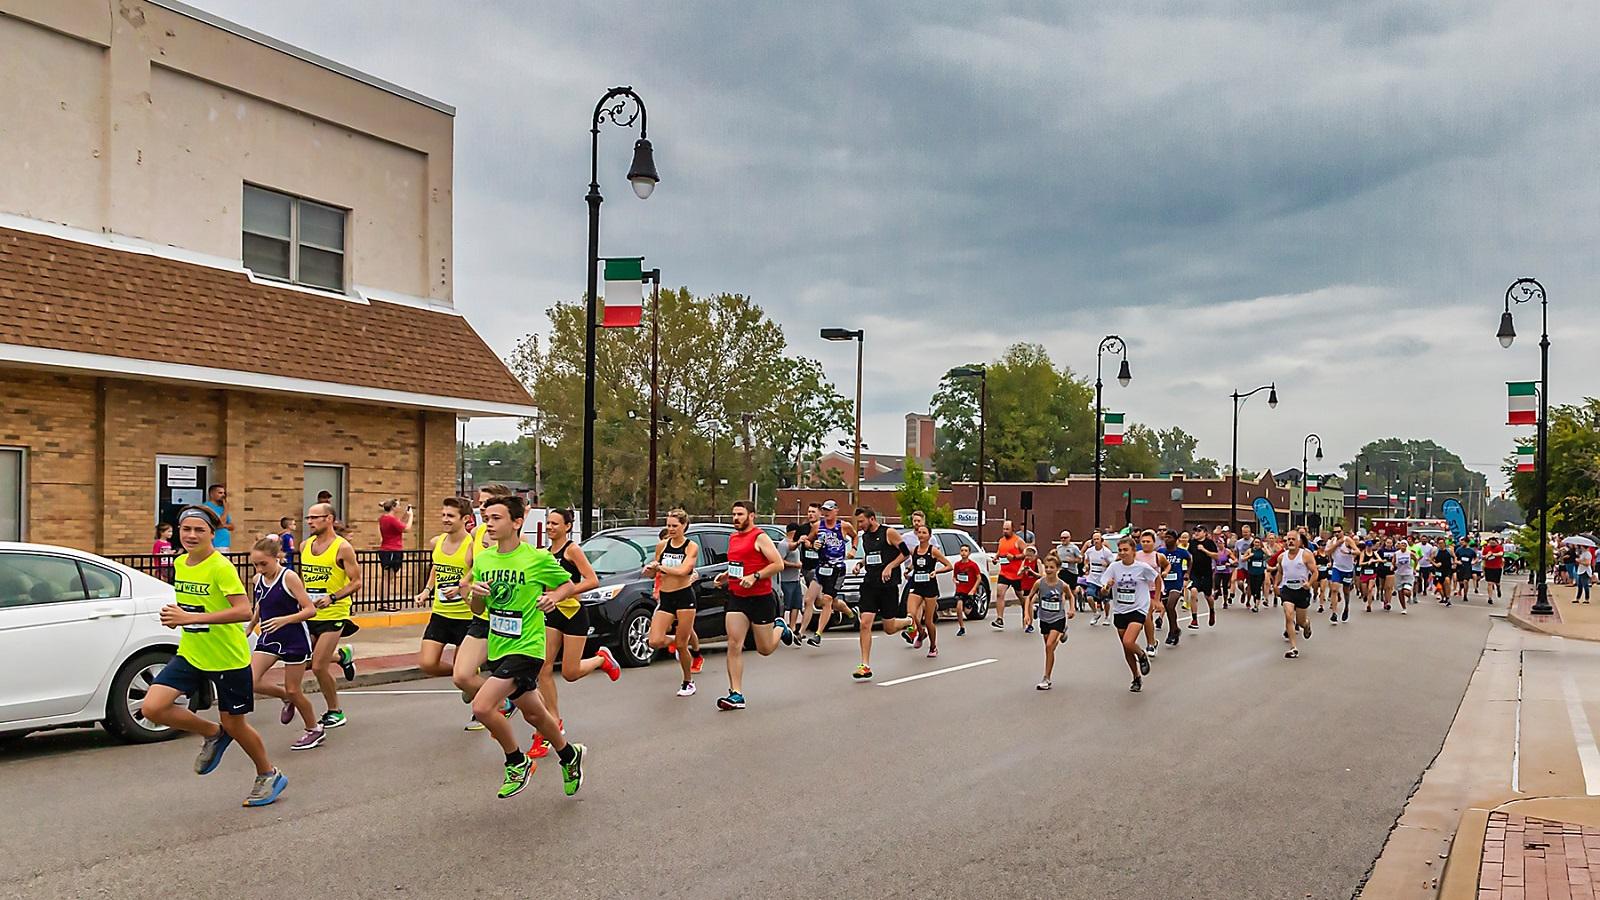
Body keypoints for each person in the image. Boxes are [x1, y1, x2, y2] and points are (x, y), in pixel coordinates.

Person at [142, 506, 286, 806]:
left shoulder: (220, 567)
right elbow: (191, 606)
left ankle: (268, 774)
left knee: (236, 724)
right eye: (186, 529)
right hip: (192, 653)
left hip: (227, 657)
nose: (192, 535)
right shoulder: (180, 563)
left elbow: (243, 610)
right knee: (152, 708)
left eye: (199, 530)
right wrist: (179, 616)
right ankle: (212, 733)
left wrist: (189, 619)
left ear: (212, 533)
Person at [461, 495, 586, 799]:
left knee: (481, 706)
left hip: (527, 647)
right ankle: (570, 755)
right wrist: (475, 594)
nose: (489, 524)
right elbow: (478, 609)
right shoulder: (485, 559)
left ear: (516, 522)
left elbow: (568, 583)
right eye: (486, 518)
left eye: (496, 518)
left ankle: (517, 762)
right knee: (536, 715)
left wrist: (554, 598)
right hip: (499, 645)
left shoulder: (537, 559)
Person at [531, 509, 620, 759]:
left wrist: (564, 593)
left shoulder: (572, 550)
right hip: (551, 614)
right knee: (544, 668)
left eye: (555, 523)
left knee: (570, 673)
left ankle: (602, 658)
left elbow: (592, 580)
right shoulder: (544, 554)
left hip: (573, 614)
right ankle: (554, 720)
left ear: (568, 526)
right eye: (547, 523)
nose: (550, 527)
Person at [711, 501, 792, 707]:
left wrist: (755, 576)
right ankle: (736, 693)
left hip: (760, 598)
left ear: (752, 516)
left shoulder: (760, 537)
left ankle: (779, 627)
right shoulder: (732, 537)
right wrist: (727, 575)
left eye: (740, 514)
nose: (735, 518)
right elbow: (738, 565)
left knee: (764, 649)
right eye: (733, 514)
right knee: (734, 643)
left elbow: (778, 564)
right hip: (737, 597)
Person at [246, 536, 323, 751]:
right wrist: (252, 624)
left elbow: (310, 609)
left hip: (293, 638)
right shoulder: (257, 579)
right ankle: (284, 697)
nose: (260, 569)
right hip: (270, 637)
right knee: (249, 681)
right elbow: (260, 603)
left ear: (277, 557)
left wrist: (285, 619)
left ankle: (314, 729)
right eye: (255, 564)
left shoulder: (289, 577)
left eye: (264, 564)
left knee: (294, 689)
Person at [455, 483, 514, 731]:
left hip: (507, 618)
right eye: (480, 504)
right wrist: (465, 583)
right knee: (461, 676)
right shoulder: (478, 533)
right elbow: (475, 566)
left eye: (487, 503)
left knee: (529, 688)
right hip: (482, 615)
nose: (481, 508)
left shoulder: (516, 541)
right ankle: (503, 701)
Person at [300, 502, 362, 729]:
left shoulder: (342, 548)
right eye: (308, 518)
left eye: (315, 518)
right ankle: (342, 656)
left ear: (329, 519)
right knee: (304, 661)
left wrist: (332, 597)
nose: (310, 522)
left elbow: (356, 582)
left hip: (334, 612)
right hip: (311, 613)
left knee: (317, 666)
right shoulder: (305, 545)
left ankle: (335, 711)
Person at [850, 506, 916, 680]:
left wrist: (890, 566)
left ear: (872, 519)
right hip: (870, 584)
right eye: (858, 522)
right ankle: (865, 665)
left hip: (888, 586)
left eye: (862, 521)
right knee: (865, 623)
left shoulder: (889, 533)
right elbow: (873, 555)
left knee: (889, 628)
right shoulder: (865, 537)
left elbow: (905, 552)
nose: (860, 525)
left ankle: (909, 621)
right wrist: (861, 563)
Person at [414, 497, 475, 683]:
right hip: (441, 613)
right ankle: (462, 675)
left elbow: (479, 569)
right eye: (443, 515)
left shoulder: (472, 545)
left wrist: (461, 586)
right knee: (427, 664)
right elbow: (437, 566)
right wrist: (426, 590)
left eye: (451, 516)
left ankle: (480, 689)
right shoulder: (437, 542)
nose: (445, 519)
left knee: (463, 676)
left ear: (465, 519)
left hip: (466, 616)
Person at [645, 510, 701, 696]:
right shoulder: (662, 545)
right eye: (668, 525)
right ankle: (680, 644)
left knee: (682, 645)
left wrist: (659, 567)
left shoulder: (691, 546)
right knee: (654, 640)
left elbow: (684, 571)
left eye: (674, 526)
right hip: (666, 597)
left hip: (684, 597)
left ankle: (688, 682)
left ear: (684, 526)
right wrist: (650, 570)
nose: (670, 529)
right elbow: (655, 570)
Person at [800, 499, 857, 647]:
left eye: (829, 510)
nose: (826, 513)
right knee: (809, 600)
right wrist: (813, 545)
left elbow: (855, 536)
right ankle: (801, 632)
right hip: (821, 568)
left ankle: (818, 634)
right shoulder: (818, 526)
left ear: (836, 511)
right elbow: (809, 541)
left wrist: (853, 549)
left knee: (826, 601)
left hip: (837, 569)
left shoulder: (844, 526)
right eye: (824, 510)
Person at [1103, 536, 1157, 693]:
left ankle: (1142, 655)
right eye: (1120, 550)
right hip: (1120, 610)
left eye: (1126, 550)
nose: (1122, 553)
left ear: (1134, 551)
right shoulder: (1114, 567)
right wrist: (1107, 587)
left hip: (1138, 609)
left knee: (1128, 642)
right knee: (1126, 649)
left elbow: (1157, 578)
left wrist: (1157, 600)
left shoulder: (1142, 567)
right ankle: (1136, 677)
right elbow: (1103, 588)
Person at [905, 524, 952, 658]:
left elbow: (949, 566)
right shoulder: (914, 550)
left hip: (930, 587)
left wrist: (936, 571)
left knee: (928, 621)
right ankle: (921, 632)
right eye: (919, 533)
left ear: (929, 536)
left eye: (924, 533)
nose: (921, 535)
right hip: (916, 585)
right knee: (911, 614)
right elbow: (914, 563)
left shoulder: (933, 551)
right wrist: (908, 570)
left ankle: (933, 646)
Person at [1030, 554, 1074, 690]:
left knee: (1049, 646)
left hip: (1058, 618)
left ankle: (1046, 677)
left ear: (1058, 569)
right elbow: (1029, 597)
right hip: (1044, 618)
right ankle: (1062, 634)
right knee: (1049, 649)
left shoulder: (1062, 585)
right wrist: (1027, 614)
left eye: (1052, 567)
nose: (1049, 570)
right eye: (1047, 567)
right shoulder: (1039, 583)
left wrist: (1072, 609)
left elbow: (1071, 596)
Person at [1275, 531, 1319, 659]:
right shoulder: (1282, 557)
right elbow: (1280, 572)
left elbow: (1315, 572)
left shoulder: (1306, 555)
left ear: (1299, 541)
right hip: (1287, 589)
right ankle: (1293, 647)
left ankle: (1306, 624)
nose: (1290, 542)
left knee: (1300, 621)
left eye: (1293, 539)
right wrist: (1276, 585)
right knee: (1289, 616)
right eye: (1288, 539)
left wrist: (1309, 583)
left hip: (1301, 590)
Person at [1135, 530, 1170, 655]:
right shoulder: (1136, 555)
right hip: (1140, 589)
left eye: (1148, 541)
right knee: (1145, 617)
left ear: (1154, 543)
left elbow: (1167, 565)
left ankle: (1150, 644)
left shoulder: (1158, 556)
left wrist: (1165, 572)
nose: (1145, 544)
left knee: (1147, 615)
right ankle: (1153, 641)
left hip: (1154, 588)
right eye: (1143, 541)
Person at [992, 520, 1028, 630]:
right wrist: (996, 558)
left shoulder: (1018, 541)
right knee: (999, 593)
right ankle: (999, 619)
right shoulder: (1001, 541)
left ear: (1013, 529)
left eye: (1007, 529)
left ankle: (1028, 615)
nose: (1005, 531)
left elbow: (1027, 553)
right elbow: (1000, 551)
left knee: (1022, 598)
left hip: (1017, 574)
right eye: (1003, 529)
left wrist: (1015, 557)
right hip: (1004, 573)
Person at [1157, 530, 1191, 645]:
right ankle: (1175, 629)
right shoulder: (1161, 552)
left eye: (1170, 537)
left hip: (1177, 582)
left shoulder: (1181, 552)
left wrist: (1187, 573)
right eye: (1165, 537)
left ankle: (1172, 632)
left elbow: (1190, 559)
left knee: (1171, 606)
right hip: (1164, 583)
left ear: (1176, 540)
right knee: (1168, 609)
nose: (1167, 539)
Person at [377, 499, 415, 601]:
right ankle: (385, 602)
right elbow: (406, 528)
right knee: (388, 577)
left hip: (385, 549)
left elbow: (398, 525)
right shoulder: (391, 519)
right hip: (392, 550)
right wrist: (411, 516)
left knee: (386, 577)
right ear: (393, 507)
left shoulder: (383, 518)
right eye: (398, 505)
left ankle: (383, 601)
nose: (399, 507)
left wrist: (405, 516)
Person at [780, 522, 808, 640]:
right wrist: (795, 565)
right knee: (785, 605)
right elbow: (780, 561)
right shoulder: (783, 544)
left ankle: (792, 628)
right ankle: (781, 629)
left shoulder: (796, 545)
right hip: (785, 580)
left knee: (796, 604)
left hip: (796, 579)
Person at [1188, 525, 1219, 628]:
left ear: (1205, 532)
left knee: (1208, 596)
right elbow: (1189, 556)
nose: (1196, 533)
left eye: (1199, 531)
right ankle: (1194, 619)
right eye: (1195, 531)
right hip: (1195, 572)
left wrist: (1204, 550)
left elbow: (1216, 556)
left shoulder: (1209, 543)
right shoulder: (1192, 543)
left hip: (1206, 572)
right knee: (1193, 592)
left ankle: (1212, 611)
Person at [1082, 531, 1115, 626]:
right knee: (1089, 597)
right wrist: (1086, 566)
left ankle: (1107, 617)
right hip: (1092, 578)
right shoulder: (1090, 551)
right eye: (1094, 539)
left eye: (1097, 539)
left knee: (1105, 600)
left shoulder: (1106, 552)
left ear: (1102, 540)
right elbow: (1086, 559)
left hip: (1103, 579)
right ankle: (1095, 613)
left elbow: (1113, 565)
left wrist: (1107, 564)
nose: (1096, 541)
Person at [950, 543, 984, 636]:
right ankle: (961, 627)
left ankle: (971, 604)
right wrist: (955, 581)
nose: (963, 553)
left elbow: (979, 578)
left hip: (969, 591)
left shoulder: (973, 565)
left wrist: (973, 589)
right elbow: (954, 576)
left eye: (965, 551)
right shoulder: (957, 565)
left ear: (969, 553)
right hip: (960, 589)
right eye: (962, 550)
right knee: (958, 607)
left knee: (967, 611)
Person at [1056, 531, 1085, 612]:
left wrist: (1072, 560)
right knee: (1062, 590)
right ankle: (1061, 608)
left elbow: (1080, 559)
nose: (1063, 539)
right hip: (1062, 571)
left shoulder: (1074, 548)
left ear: (1069, 538)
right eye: (1062, 538)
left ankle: (1078, 589)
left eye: (1065, 538)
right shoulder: (1058, 548)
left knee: (1072, 591)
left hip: (1071, 571)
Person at [203, 484, 234, 552]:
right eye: (220, 493)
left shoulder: (221, 508)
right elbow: (218, 524)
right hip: (215, 544)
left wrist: (223, 525)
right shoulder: (207, 507)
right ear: (212, 494)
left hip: (225, 544)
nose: (223, 495)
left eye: (224, 493)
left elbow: (232, 526)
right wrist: (226, 509)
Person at [1244, 537, 1268, 612]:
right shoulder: (1250, 550)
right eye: (1255, 542)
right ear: (1253, 543)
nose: (1257, 544)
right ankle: (1254, 598)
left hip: (1260, 572)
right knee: (1253, 588)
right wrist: (1249, 556)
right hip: (1251, 571)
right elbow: (1243, 559)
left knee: (1258, 588)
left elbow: (1270, 554)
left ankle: (1256, 606)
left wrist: (1265, 547)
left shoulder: (1262, 550)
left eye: (1258, 542)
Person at [1483, 537, 1505, 604]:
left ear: (1496, 542)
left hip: (1497, 567)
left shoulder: (1499, 547)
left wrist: (1492, 554)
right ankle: (1490, 598)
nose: (1492, 544)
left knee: (1497, 582)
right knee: (1490, 583)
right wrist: (1486, 556)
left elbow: (1501, 554)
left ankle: (1498, 588)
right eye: (1490, 543)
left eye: (1493, 542)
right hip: (1488, 567)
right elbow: (1483, 556)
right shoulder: (1486, 548)